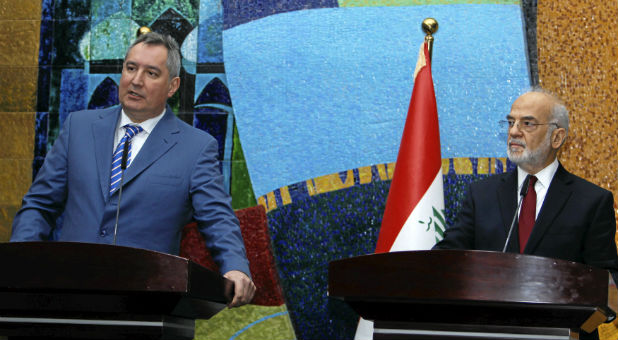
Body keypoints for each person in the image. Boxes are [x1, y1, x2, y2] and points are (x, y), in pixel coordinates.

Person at [10, 32, 255, 307]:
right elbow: (40, 205)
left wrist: (235, 266)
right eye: (131, 68)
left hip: (148, 300)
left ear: (172, 86)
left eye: (151, 73)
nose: (136, 81)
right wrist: (20, 262)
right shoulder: (78, 127)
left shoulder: (196, 147)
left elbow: (217, 217)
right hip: (68, 295)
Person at [433, 89, 618, 338]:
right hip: (488, 331)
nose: (514, 131)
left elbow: (606, 278)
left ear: (557, 137)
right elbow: (446, 258)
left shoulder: (592, 201)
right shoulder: (481, 194)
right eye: (511, 122)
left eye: (527, 123)